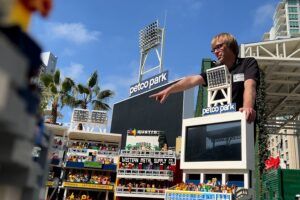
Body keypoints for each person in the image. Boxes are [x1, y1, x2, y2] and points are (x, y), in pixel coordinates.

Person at [150, 32, 259, 123]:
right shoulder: (215, 71)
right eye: (213, 49)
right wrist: (169, 89)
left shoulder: (247, 63)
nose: (216, 51)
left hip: (242, 120)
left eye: (219, 46)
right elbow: (192, 80)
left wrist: (247, 107)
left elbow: (250, 86)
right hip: (220, 124)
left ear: (231, 46)